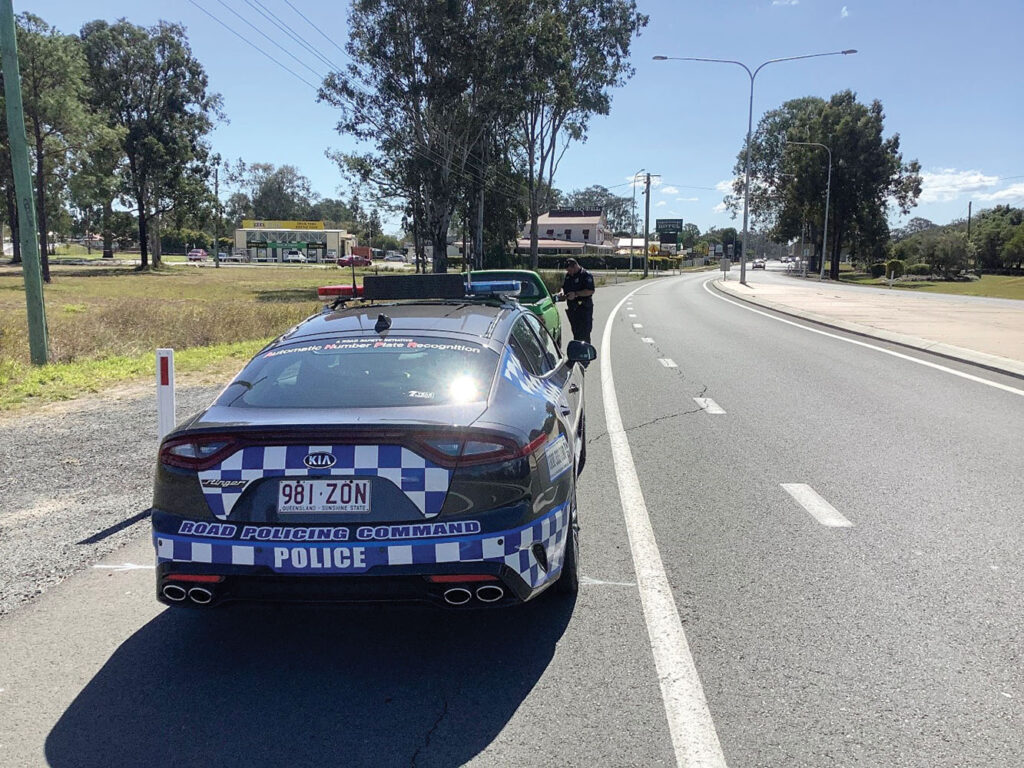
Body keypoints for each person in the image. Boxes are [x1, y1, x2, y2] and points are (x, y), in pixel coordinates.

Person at [558, 257, 596, 344]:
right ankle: (577, 353)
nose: (569, 273)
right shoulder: (568, 276)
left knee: (585, 332)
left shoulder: (585, 275)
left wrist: (576, 294)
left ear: (575, 266)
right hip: (572, 309)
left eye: (570, 270)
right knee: (576, 332)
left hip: (584, 308)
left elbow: (590, 291)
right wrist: (562, 292)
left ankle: (586, 353)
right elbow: (564, 287)